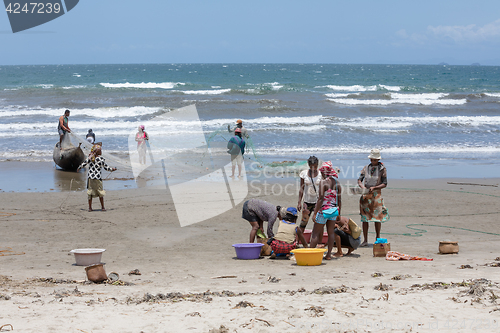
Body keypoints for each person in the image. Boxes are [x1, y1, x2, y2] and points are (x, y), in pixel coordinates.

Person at [358, 148, 389, 247]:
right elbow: (359, 180)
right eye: (372, 159)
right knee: (365, 218)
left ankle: (377, 238)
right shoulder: (366, 168)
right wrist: (363, 187)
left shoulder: (382, 169)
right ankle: (365, 240)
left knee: (377, 218)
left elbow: (384, 183)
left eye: (375, 160)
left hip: (376, 196)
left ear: (378, 160)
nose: (373, 161)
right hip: (366, 195)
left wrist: (375, 187)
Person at [311, 161, 342, 260]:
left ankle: (310, 252)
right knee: (331, 233)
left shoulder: (323, 183)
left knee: (315, 233)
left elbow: (320, 199)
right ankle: (328, 255)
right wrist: (339, 213)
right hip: (333, 210)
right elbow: (339, 200)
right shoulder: (337, 183)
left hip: (323, 210)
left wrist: (315, 213)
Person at [77, 144, 117, 212]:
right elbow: (106, 168)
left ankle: (90, 208)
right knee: (100, 193)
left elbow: (84, 163)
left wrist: (79, 168)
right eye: (100, 150)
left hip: (90, 178)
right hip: (98, 178)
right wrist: (112, 169)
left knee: (90, 193)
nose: (101, 151)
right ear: (97, 151)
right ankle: (103, 207)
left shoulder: (90, 158)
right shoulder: (101, 159)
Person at [297, 156, 322, 233]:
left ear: (318, 165)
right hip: (307, 203)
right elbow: (301, 188)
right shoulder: (304, 174)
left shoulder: (321, 174)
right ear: (308, 165)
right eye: (311, 166)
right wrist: (299, 202)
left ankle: (318, 241)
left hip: (317, 203)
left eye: (315, 166)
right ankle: (298, 241)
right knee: (303, 223)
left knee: (318, 223)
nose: (313, 168)